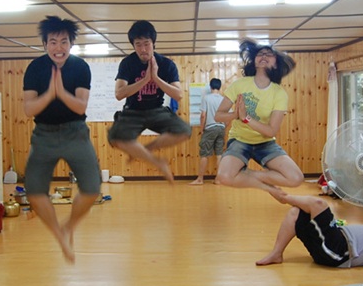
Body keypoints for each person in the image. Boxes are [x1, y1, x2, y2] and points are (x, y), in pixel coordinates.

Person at [23, 15, 101, 263]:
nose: (59, 48)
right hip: (43, 134)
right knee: (34, 191)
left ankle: (69, 227)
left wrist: (61, 93)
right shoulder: (35, 68)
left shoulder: (80, 67)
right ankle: (59, 234)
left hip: (75, 132)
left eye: (64, 41)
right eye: (53, 42)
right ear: (45, 44)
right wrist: (50, 94)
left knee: (92, 188)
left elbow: (80, 106)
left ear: (71, 43)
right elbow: (29, 109)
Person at [214, 40, 304, 198]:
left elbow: (271, 131)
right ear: (254, 61)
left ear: (276, 64)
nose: (264, 56)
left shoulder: (279, 93)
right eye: (260, 54)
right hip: (239, 140)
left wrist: (246, 118)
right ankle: (268, 188)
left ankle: (247, 174)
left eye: (269, 54)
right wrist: (236, 115)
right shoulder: (239, 85)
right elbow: (218, 116)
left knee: (296, 178)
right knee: (224, 177)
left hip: (265, 143)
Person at [108, 20, 192, 182]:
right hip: (132, 111)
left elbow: (178, 95)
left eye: (146, 44)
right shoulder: (127, 63)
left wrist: (156, 78)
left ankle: (144, 150)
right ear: (133, 46)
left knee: (184, 131)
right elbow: (119, 94)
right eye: (138, 44)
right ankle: (157, 162)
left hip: (157, 110)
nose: (143, 49)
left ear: (153, 43)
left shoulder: (166, 64)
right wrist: (145, 79)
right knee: (115, 137)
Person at [256, 193, 363, 267]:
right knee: (296, 213)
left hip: (341, 251)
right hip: (335, 240)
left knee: (319, 204)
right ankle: (277, 253)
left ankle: (284, 197)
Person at [189, 78, 225, 185]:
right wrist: (224, 126)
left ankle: (200, 179)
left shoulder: (206, 98)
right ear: (220, 87)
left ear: (210, 87)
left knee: (204, 154)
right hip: (221, 127)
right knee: (219, 154)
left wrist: (202, 129)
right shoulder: (223, 99)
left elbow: (203, 115)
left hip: (210, 128)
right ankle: (218, 179)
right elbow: (228, 116)